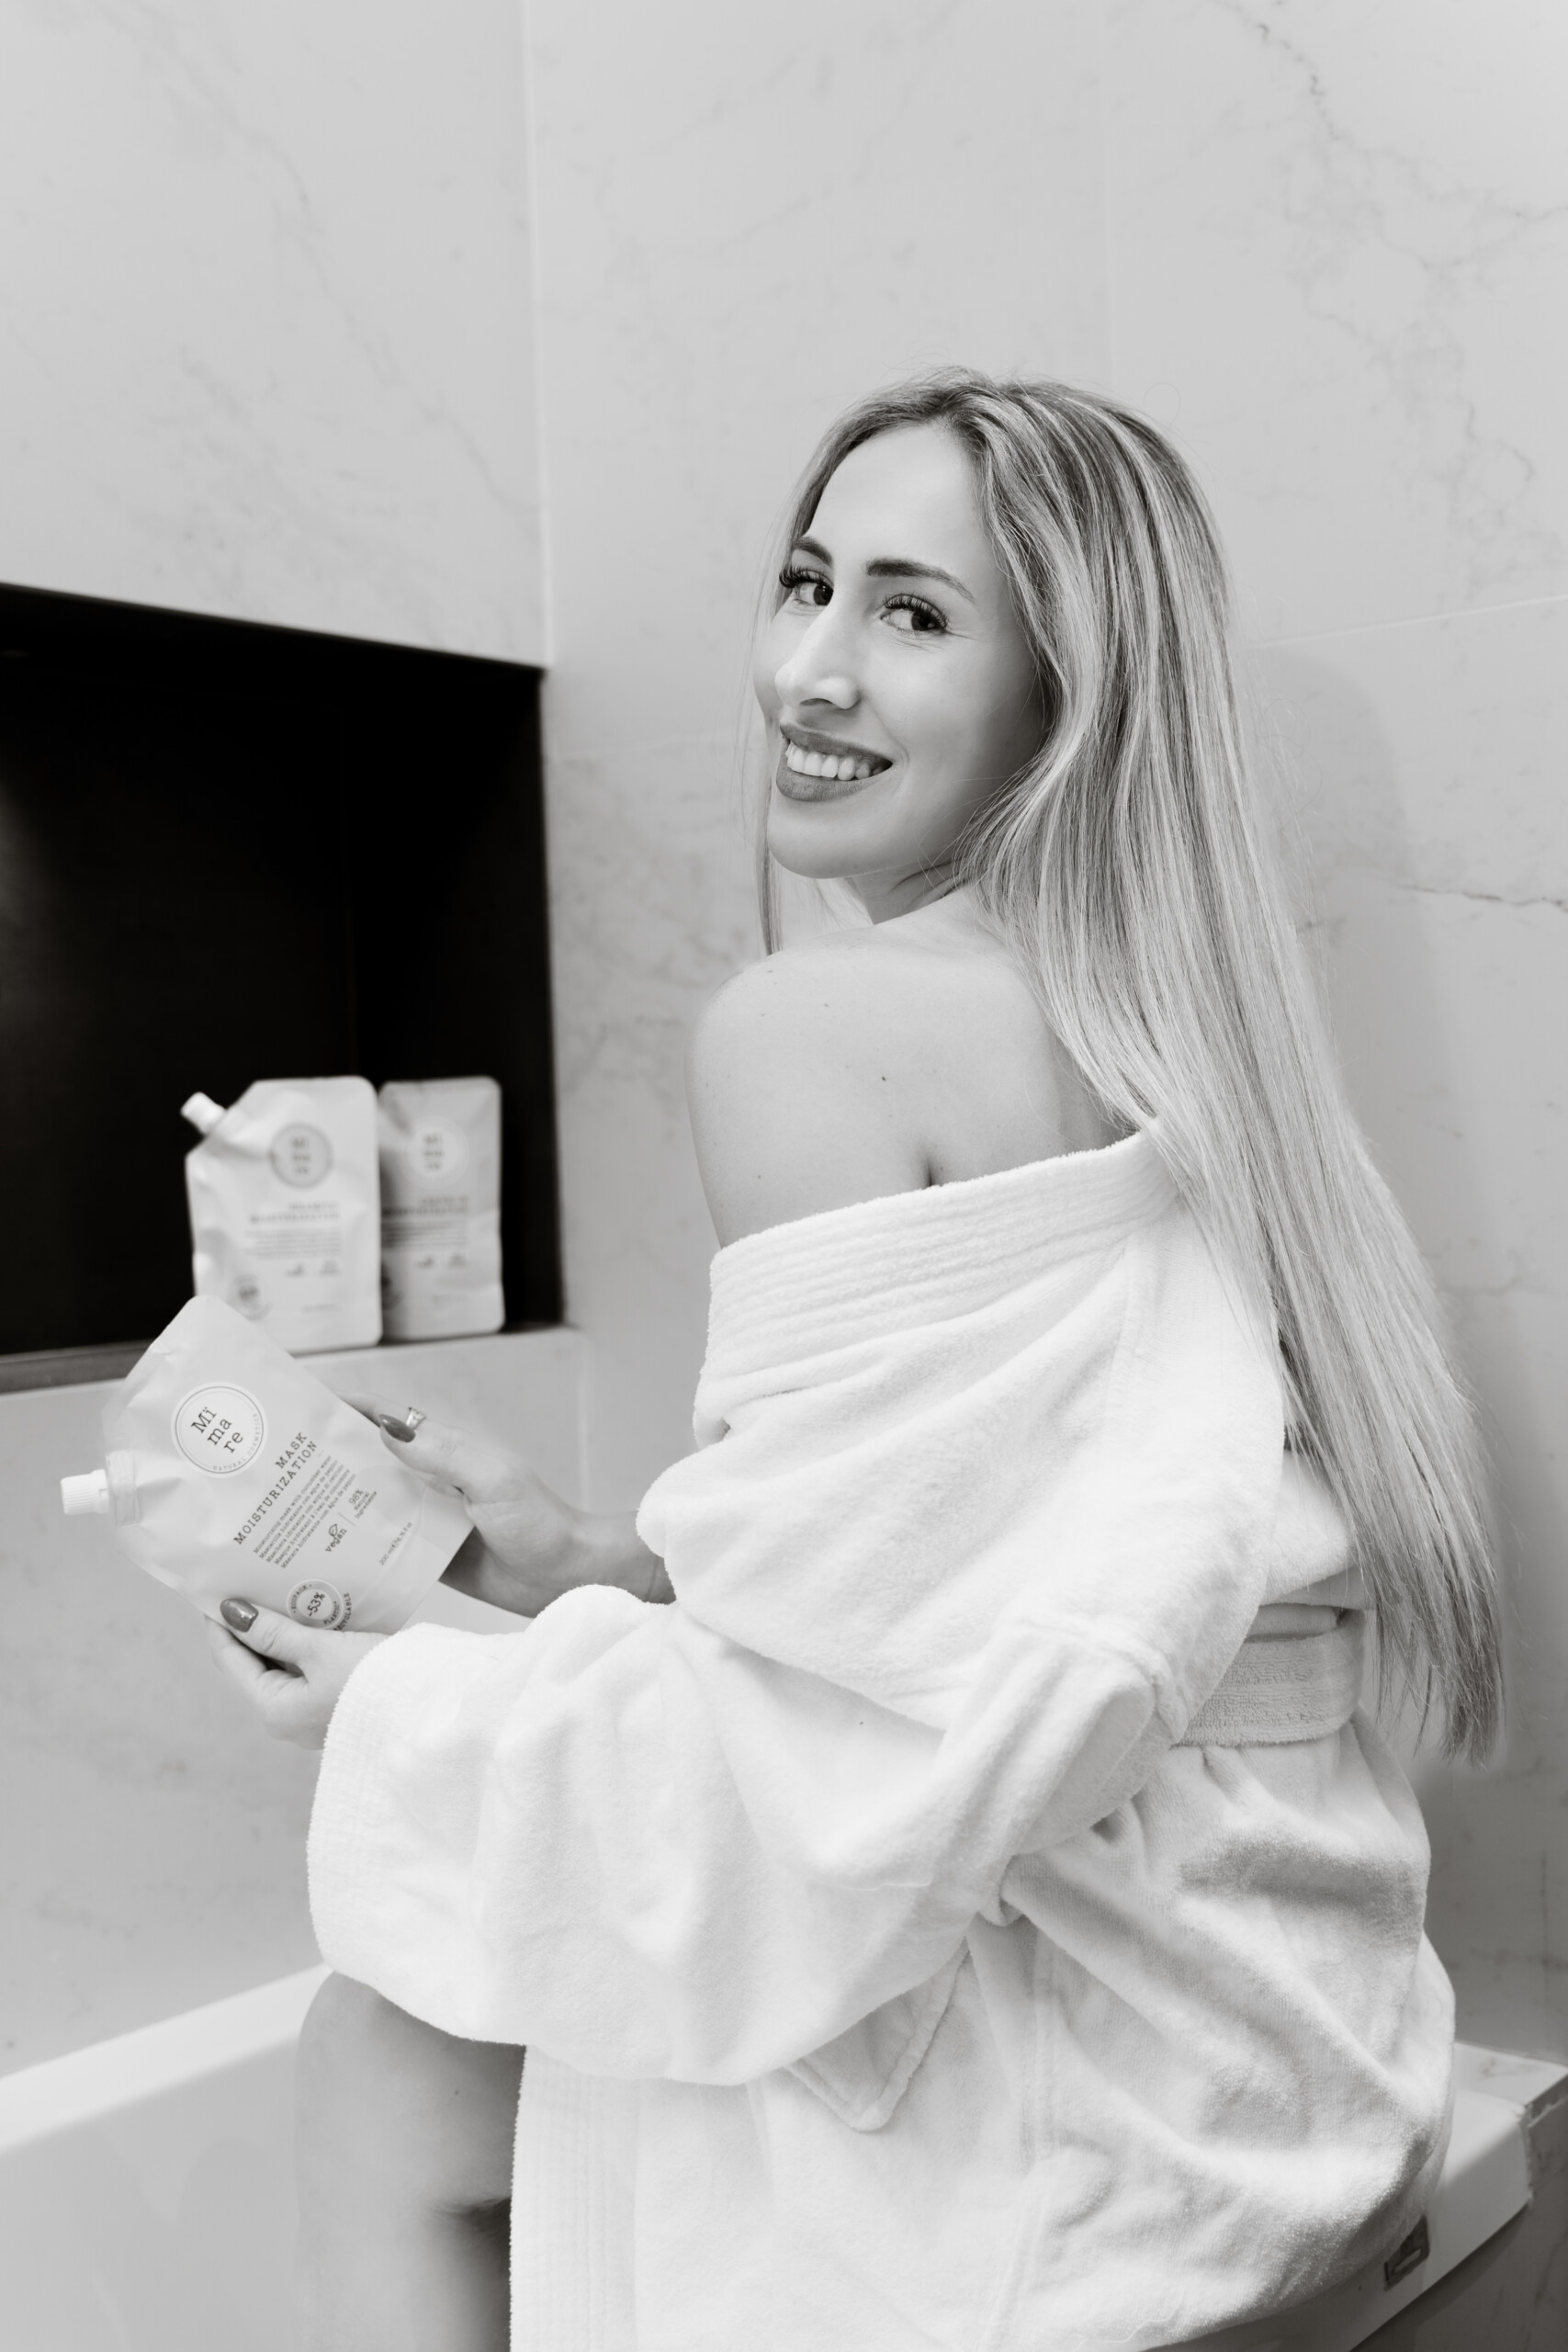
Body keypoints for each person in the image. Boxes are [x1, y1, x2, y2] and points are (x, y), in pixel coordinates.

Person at [209, 371, 1501, 2351]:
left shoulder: (821, 1027)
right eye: (808, 583)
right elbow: (985, 1606)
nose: (807, 672)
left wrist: (399, 1687)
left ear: (1069, 694)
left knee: (378, 2063)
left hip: (1072, 2102)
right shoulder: (1200, 1054)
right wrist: (585, 1561)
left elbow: (828, 1766)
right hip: (1291, 2044)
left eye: (911, 613)